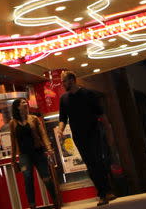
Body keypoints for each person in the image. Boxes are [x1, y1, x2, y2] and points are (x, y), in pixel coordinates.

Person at [58, 71, 115, 206]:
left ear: (72, 80)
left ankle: (104, 193)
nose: (63, 84)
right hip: (78, 135)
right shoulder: (64, 99)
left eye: (64, 81)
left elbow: (101, 113)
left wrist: (108, 131)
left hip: (94, 132)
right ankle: (104, 191)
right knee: (90, 164)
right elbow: (63, 118)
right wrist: (60, 130)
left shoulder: (88, 94)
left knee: (97, 161)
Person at [10, 98, 59, 209]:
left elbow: (43, 134)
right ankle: (32, 206)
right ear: (17, 107)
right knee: (28, 179)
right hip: (24, 155)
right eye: (22, 102)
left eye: (25, 102)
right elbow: (13, 142)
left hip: (38, 152)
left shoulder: (34, 119)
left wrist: (49, 149)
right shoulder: (12, 123)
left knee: (46, 178)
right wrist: (13, 160)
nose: (25, 103)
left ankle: (56, 202)